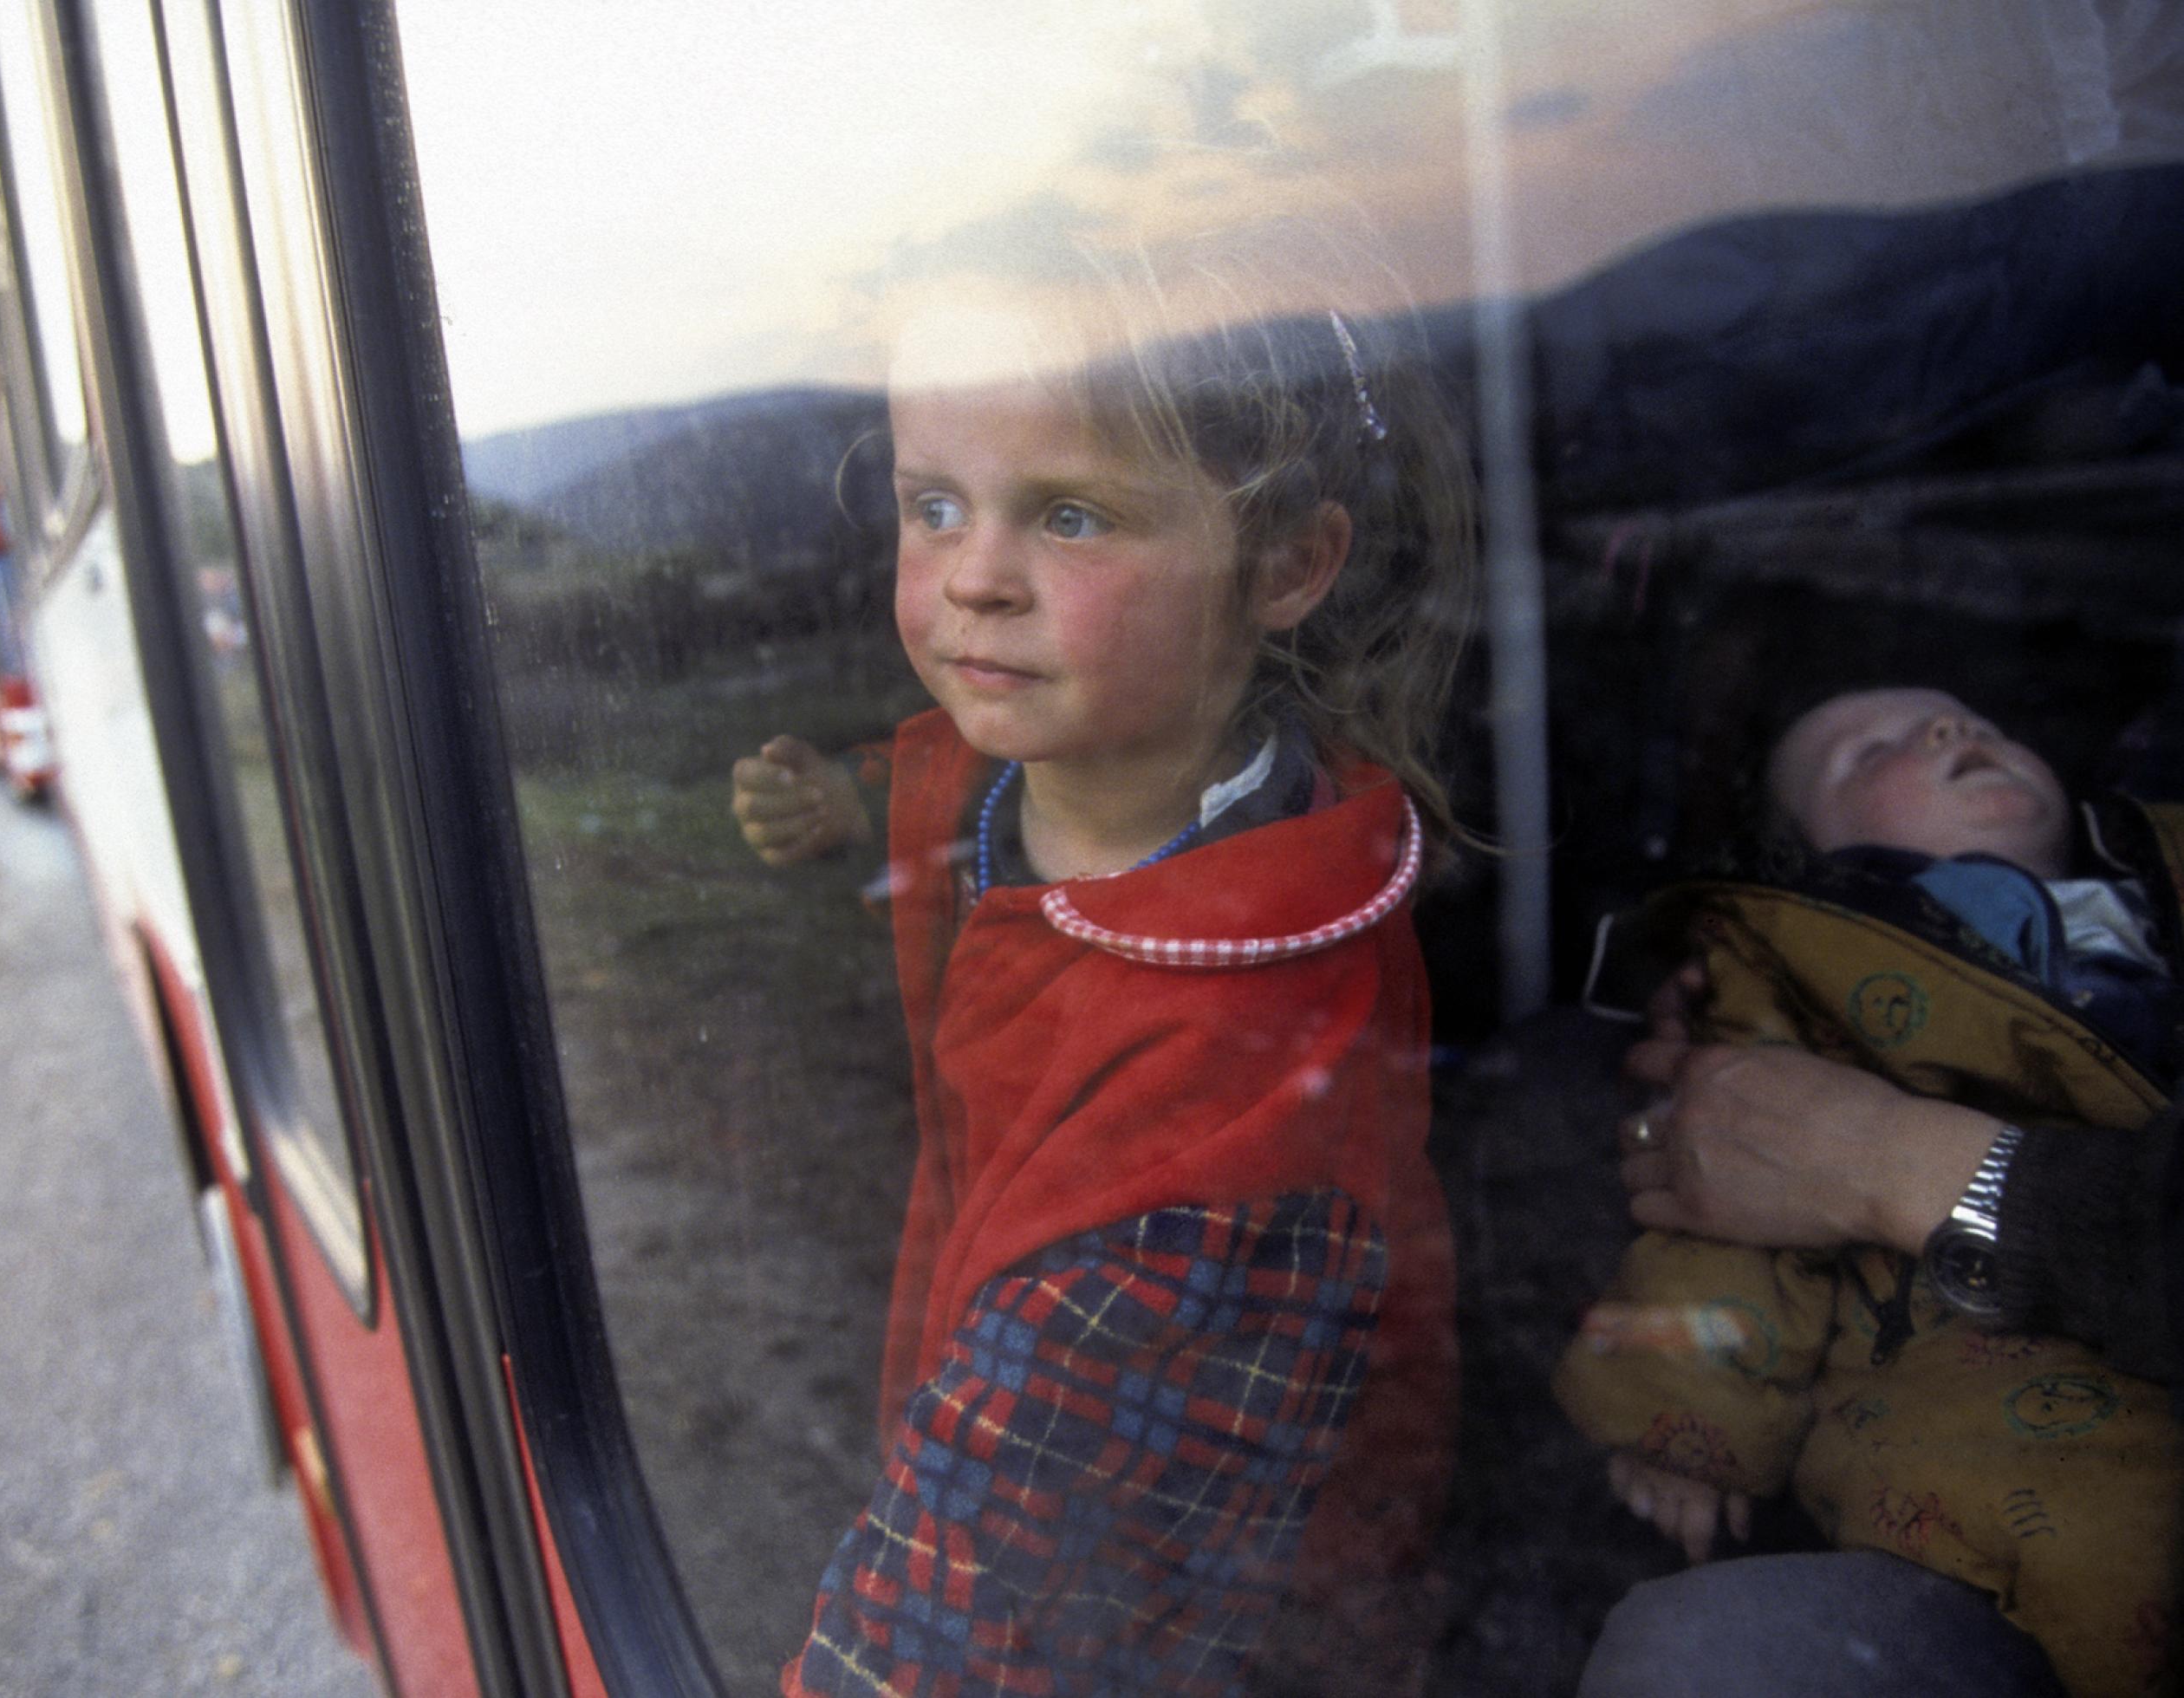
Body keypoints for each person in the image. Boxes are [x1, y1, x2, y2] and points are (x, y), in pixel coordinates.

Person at [730, 227, 1477, 1695]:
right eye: (930, 505)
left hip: (1247, 1607)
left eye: (1067, 516)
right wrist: (842, 808)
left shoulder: (1217, 1116)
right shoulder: (1058, 771)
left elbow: (981, 1622)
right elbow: (946, 791)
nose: (974, 580)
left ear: (1285, 562)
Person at [1554, 687, 2183, 1698]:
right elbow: (1714, 1199)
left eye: (1974, 716)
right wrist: (1679, 1421)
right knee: (2098, 1550)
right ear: (1813, 864)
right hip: (1981, 1394)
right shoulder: (1805, 970)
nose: (1948, 731)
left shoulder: (2158, 890)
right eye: (1868, 752)